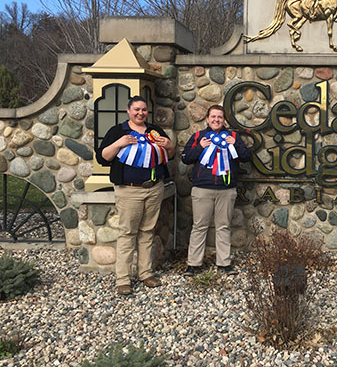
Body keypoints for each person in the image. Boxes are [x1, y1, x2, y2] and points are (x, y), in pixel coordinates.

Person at [96, 96, 175, 296]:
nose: (140, 113)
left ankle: (145, 273)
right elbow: (103, 156)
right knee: (127, 234)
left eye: (144, 110)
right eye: (137, 110)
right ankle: (123, 279)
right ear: (128, 110)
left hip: (154, 187)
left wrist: (169, 144)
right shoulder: (118, 131)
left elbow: (171, 154)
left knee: (148, 231)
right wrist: (119, 143)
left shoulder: (154, 131)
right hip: (129, 190)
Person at [181, 105, 251, 276]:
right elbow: (185, 158)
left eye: (219, 117)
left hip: (226, 189)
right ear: (207, 119)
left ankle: (224, 263)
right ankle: (193, 264)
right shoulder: (199, 136)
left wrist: (236, 145)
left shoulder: (233, 136)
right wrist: (200, 148)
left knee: (223, 226)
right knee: (199, 226)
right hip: (202, 189)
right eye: (213, 117)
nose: (216, 120)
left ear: (224, 120)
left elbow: (246, 157)